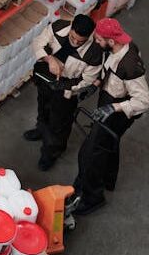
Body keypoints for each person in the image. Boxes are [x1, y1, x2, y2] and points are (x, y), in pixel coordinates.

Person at [72, 18, 149, 215]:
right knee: (108, 145)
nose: (97, 43)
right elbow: (111, 74)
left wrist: (113, 108)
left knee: (89, 154)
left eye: (99, 40)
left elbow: (145, 102)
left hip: (118, 112)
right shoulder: (117, 48)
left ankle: (92, 197)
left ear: (110, 40)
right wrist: (95, 86)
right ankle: (108, 180)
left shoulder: (130, 65)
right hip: (109, 100)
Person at [24, 14, 104, 171]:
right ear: (71, 27)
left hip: (67, 91)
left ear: (89, 36)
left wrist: (62, 86)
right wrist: (49, 59)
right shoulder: (59, 27)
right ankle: (41, 129)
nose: (74, 42)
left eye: (80, 41)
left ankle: (52, 152)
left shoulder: (94, 52)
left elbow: (86, 81)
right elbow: (38, 43)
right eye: (72, 37)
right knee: (43, 108)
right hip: (46, 79)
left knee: (59, 124)